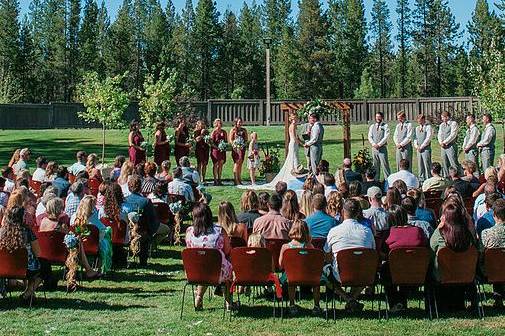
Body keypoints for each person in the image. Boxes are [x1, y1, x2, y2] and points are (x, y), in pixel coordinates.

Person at [324, 199, 375, 312]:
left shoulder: (334, 231)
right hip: (363, 273)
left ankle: (348, 298)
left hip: (341, 274)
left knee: (325, 274)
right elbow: (373, 252)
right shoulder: (367, 231)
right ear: (358, 213)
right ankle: (352, 299)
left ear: (343, 211)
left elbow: (327, 256)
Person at [430, 200, 477, 312]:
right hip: (465, 274)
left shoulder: (439, 235)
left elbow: (431, 250)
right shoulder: (468, 237)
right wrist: (470, 223)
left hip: (443, 275)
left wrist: (439, 226)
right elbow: (477, 249)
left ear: (445, 217)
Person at [185, 203, 234, 310]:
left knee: (205, 266)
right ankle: (229, 302)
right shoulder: (220, 231)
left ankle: (199, 297)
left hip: (195, 272)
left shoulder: (189, 231)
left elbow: (189, 250)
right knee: (225, 263)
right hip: (217, 272)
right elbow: (227, 250)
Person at [383, 205, 427, 312]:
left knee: (386, 270)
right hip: (417, 271)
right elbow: (425, 247)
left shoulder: (388, 234)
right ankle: (401, 302)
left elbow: (383, 253)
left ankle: (394, 303)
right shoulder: (418, 231)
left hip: (396, 271)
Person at [0, 206, 41, 304]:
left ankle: (28, 292)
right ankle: (28, 292)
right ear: (22, 217)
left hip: (3, 269)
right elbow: (38, 253)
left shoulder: (1, 232)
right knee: (45, 266)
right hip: (26, 269)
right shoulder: (28, 232)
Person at [279, 220, 320, 315]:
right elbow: (315, 264)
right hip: (308, 275)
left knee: (290, 279)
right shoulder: (309, 246)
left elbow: (280, 266)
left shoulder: (286, 247)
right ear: (306, 231)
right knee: (316, 282)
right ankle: (316, 306)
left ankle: (292, 305)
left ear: (292, 230)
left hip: (291, 276)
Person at [122, 176, 160, 266]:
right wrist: (151, 232)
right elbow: (152, 219)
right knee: (147, 232)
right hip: (141, 233)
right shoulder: (146, 201)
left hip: (126, 232)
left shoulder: (124, 200)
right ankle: (143, 261)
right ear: (141, 187)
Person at [481, 199, 505, 307]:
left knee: (496, 262)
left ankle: (498, 299)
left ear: (494, 214)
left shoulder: (487, 234)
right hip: (496, 267)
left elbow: (481, 252)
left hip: (491, 271)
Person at [368, 112, 391, 180]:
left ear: (382, 117)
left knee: (385, 165)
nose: (378, 118)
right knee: (375, 165)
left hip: (382, 148)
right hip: (374, 148)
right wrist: (373, 144)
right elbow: (369, 136)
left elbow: (386, 137)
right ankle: (375, 180)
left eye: (379, 116)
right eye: (376, 116)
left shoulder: (385, 126)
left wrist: (379, 144)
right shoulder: (372, 126)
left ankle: (387, 180)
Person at [437, 111, 460, 177]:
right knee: (444, 162)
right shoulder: (442, 125)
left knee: (453, 162)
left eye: (443, 117)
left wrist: (445, 142)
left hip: (451, 146)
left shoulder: (453, 123)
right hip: (443, 147)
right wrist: (441, 142)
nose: (442, 119)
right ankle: (447, 177)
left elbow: (453, 135)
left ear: (447, 117)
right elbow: (439, 134)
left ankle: (456, 177)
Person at [413, 113, 433, 183]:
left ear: (423, 119)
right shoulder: (417, 128)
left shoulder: (428, 127)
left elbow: (428, 138)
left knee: (427, 164)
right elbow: (415, 138)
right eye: (418, 120)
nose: (418, 121)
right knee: (420, 165)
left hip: (425, 149)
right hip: (419, 149)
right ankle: (421, 180)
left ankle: (429, 179)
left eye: (420, 120)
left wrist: (422, 146)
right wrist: (416, 146)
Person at [229, 117, 248, 185]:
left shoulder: (244, 130)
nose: (240, 123)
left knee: (240, 164)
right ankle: (235, 180)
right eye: (238, 122)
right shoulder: (233, 130)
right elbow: (230, 140)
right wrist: (235, 145)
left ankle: (239, 179)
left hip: (242, 149)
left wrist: (243, 145)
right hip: (235, 150)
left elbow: (246, 139)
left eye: (240, 122)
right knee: (236, 163)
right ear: (236, 123)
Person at [210, 119, 227, 186]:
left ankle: (219, 179)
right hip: (215, 150)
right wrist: (217, 147)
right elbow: (211, 142)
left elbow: (226, 141)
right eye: (218, 123)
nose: (220, 124)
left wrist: (223, 146)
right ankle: (215, 180)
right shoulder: (213, 132)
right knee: (215, 164)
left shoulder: (224, 132)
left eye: (220, 123)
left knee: (221, 164)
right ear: (215, 124)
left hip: (222, 150)